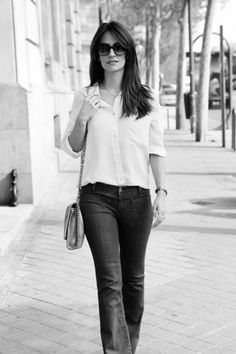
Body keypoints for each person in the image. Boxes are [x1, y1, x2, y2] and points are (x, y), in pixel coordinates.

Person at [61, 21, 167, 354]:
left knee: (133, 281)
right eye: (104, 48)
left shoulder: (146, 97)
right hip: (97, 199)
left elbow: (156, 149)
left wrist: (161, 191)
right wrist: (82, 118)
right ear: (96, 54)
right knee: (110, 283)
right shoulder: (85, 96)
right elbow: (74, 146)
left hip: (138, 199)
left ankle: (127, 345)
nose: (111, 54)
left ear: (128, 53)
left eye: (118, 47)